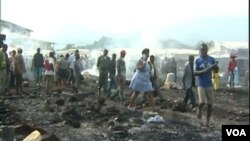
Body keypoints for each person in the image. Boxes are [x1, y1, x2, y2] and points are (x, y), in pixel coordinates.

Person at [194, 43, 218, 126]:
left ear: (207, 50)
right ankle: (199, 110)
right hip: (200, 83)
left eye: (204, 50)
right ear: (199, 51)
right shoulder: (197, 60)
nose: (203, 51)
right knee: (202, 101)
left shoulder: (211, 59)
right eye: (201, 50)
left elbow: (216, 70)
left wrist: (215, 67)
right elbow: (194, 72)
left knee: (210, 104)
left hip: (209, 84)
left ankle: (207, 121)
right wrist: (205, 71)